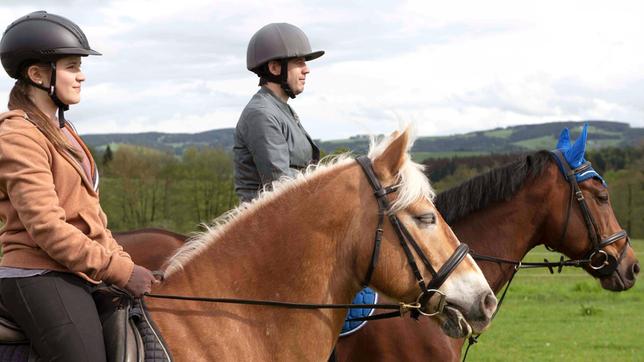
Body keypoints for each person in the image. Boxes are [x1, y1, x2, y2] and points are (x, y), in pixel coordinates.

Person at [0, 11, 157, 361]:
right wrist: (121, 271)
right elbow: (48, 229)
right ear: (37, 74)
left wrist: (123, 260)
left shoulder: (62, 131)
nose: (81, 76)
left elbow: (91, 217)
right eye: (71, 66)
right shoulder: (18, 135)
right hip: (37, 273)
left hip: (74, 269)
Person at [233, 23, 323, 202]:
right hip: (267, 222)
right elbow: (280, 183)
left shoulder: (280, 109)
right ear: (274, 68)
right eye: (299, 62)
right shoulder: (262, 114)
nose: (307, 69)